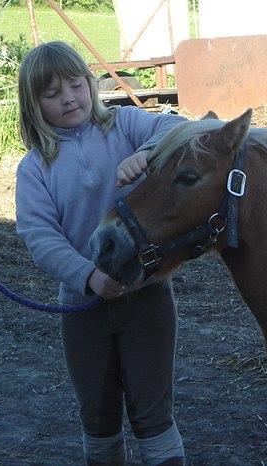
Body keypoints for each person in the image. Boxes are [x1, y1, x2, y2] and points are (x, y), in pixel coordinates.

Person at [14, 41, 187, 466]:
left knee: (153, 413)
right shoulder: (34, 167)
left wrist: (147, 154)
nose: (69, 98)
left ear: (91, 84)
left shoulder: (125, 126)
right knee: (98, 415)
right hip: (82, 307)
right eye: (52, 94)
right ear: (33, 105)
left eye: (76, 85)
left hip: (147, 296)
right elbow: (41, 237)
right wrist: (88, 277)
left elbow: (180, 127)